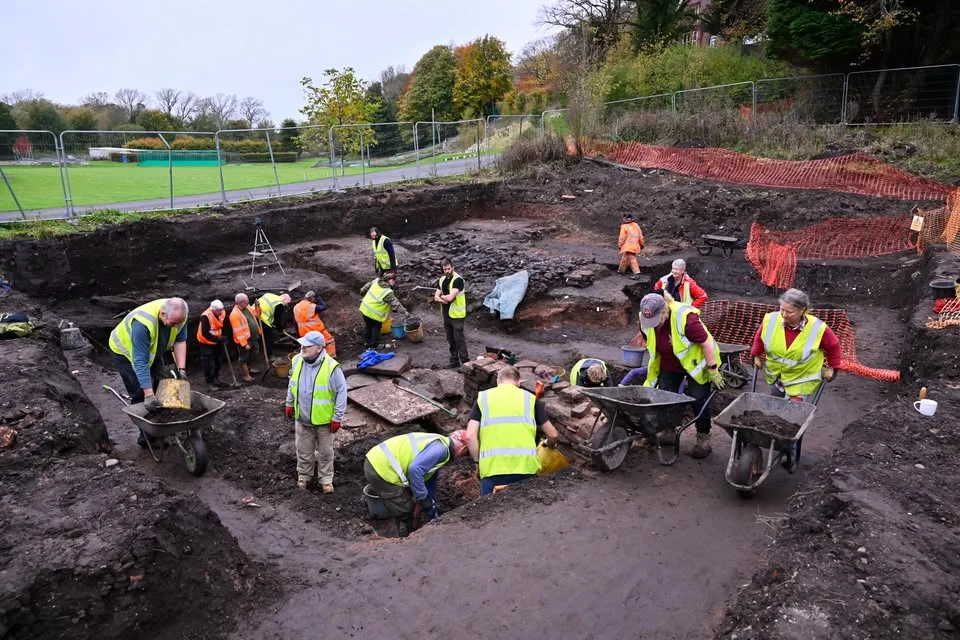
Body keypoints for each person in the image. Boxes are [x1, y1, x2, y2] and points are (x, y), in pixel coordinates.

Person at [637, 292, 724, 458]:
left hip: (696, 363)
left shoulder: (685, 318)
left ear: (664, 311)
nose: (653, 325)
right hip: (669, 364)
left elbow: (706, 343)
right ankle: (668, 432)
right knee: (665, 397)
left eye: (656, 320)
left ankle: (703, 438)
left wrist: (712, 369)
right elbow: (649, 339)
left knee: (699, 399)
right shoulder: (645, 318)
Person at [465, 366, 561, 496]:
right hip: (525, 469)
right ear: (519, 383)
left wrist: (477, 462)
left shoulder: (483, 399)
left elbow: (470, 436)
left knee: (490, 513)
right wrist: (548, 445)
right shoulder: (530, 399)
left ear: (498, 382)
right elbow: (553, 434)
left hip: (492, 469)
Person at [109, 298, 189, 446]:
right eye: (173, 323)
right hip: (125, 353)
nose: (176, 326)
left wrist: (181, 369)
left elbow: (180, 340)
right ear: (163, 314)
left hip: (154, 348)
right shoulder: (142, 325)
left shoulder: (180, 315)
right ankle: (147, 438)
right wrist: (149, 394)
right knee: (140, 393)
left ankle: (168, 422)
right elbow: (140, 362)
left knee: (167, 381)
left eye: (178, 323)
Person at [364, 430, 469, 528]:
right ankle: (404, 535)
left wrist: (429, 502)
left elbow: (429, 480)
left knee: (409, 496)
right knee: (405, 509)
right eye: (466, 452)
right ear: (462, 449)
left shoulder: (440, 442)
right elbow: (415, 469)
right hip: (380, 468)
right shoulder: (441, 450)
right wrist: (422, 498)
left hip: (378, 460)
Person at [751, 288, 841, 401]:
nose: (784, 314)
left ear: (802, 310)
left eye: (789, 312)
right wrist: (756, 355)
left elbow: (833, 346)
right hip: (775, 376)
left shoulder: (817, 328)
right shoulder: (771, 320)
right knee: (777, 405)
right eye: (781, 309)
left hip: (801, 378)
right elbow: (760, 338)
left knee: (791, 412)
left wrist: (832, 368)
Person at [284, 331, 347, 493]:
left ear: (319, 348)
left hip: (324, 421)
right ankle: (304, 477)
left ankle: (326, 480)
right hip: (302, 418)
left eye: (307, 345)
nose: (302, 348)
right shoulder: (297, 360)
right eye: (302, 345)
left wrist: (337, 417)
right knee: (303, 451)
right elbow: (292, 383)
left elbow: (341, 392)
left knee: (325, 453)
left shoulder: (332, 367)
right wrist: (289, 402)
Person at [359, 270, 408, 350]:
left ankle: (367, 343)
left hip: (364, 308)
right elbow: (396, 303)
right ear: (391, 280)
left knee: (368, 325)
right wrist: (405, 313)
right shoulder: (387, 292)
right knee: (376, 327)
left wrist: (363, 294)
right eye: (394, 281)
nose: (395, 283)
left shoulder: (376, 281)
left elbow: (363, 289)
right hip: (374, 312)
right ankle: (375, 344)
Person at [435, 257, 469, 369]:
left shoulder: (458, 280)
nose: (447, 271)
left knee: (459, 339)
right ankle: (454, 361)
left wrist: (443, 297)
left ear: (453, 267)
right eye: (444, 269)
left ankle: (465, 363)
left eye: (448, 269)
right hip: (446, 314)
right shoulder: (442, 280)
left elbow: (450, 298)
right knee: (450, 339)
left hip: (457, 315)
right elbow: (436, 297)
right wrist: (442, 298)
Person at [229, 293, 261, 382]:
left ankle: (249, 368)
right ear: (241, 302)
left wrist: (258, 307)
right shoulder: (234, 314)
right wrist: (244, 344)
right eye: (246, 302)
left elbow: (257, 314)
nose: (248, 303)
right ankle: (246, 375)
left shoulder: (247, 308)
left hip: (253, 337)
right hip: (245, 340)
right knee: (244, 358)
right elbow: (238, 331)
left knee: (255, 353)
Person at [293, 291, 335, 357]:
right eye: (314, 299)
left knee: (309, 346)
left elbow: (296, 322)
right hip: (316, 331)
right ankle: (330, 357)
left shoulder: (296, 307)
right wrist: (318, 298)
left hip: (304, 333)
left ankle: (311, 358)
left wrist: (298, 335)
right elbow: (324, 306)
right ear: (311, 298)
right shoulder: (310, 306)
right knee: (329, 341)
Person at [196, 299, 227, 386]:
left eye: (221, 310)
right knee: (208, 364)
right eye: (218, 311)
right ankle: (209, 382)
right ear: (213, 310)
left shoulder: (221, 312)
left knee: (218, 361)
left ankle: (216, 378)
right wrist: (218, 339)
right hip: (206, 343)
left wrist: (222, 338)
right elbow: (205, 333)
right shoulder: (205, 316)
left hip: (217, 342)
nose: (221, 313)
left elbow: (220, 324)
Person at [255, 292, 291, 357]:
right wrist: (280, 329)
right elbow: (277, 321)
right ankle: (269, 354)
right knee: (269, 337)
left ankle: (264, 349)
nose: (286, 305)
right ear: (285, 299)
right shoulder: (279, 304)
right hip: (262, 317)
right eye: (287, 303)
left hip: (253, 312)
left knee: (264, 335)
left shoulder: (271, 295)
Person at [617, 214, 644, 279]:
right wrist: (642, 244)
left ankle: (637, 273)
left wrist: (620, 245)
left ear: (624, 218)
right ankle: (620, 271)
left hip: (628, 246)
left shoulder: (624, 226)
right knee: (625, 257)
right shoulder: (636, 225)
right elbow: (640, 236)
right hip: (635, 246)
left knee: (632, 259)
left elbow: (622, 237)